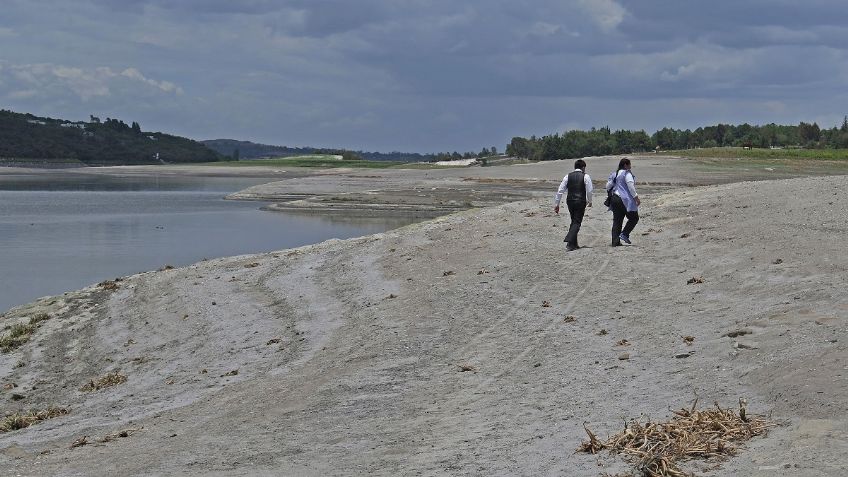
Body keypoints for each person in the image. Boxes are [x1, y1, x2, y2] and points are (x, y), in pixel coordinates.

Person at [554, 159, 593, 251]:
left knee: (574, 220)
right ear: (583, 167)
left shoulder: (568, 176)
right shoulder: (586, 176)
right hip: (580, 201)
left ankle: (574, 244)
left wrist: (557, 204)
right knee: (577, 222)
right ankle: (569, 241)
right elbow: (589, 190)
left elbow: (560, 190)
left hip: (570, 201)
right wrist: (590, 201)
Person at [606, 157, 640, 246]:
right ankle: (624, 234)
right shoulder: (627, 174)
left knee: (617, 220)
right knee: (634, 218)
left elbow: (608, 186)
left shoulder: (615, 174)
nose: (630, 166)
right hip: (624, 199)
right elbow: (631, 187)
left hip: (615, 198)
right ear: (625, 165)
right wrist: (636, 198)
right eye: (629, 164)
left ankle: (615, 242)